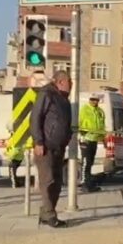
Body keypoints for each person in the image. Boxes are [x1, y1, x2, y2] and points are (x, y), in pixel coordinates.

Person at [31, 70, 73, 228]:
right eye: (70, 81)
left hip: (59, 147)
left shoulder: (64, 100)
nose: (72, 85)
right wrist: (38, 141)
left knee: (57, 182)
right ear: (61, 82)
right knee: (47, 180)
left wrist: (67, 136)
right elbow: (36, 117)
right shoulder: (46, 95)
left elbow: (66, 122)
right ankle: (49, 215)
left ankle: (46, 212)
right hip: (45, 146)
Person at [78, 94, 106, 192]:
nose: (94, 101)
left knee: (90, 162)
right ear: (89, 100)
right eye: (92, 99)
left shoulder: (100, 111)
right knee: (86, 162)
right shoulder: (84, 109)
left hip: (94, 139)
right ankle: (84, 183)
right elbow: (79, 122)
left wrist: (103, 139)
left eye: (96, 100)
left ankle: (88, 183)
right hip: (85, 138)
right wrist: (81, 134)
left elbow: (102, 126)